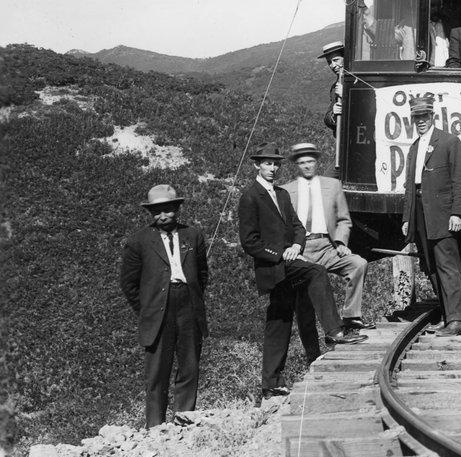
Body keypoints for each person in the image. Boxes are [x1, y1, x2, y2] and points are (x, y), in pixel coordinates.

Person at [238, 142, 365, 399]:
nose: (272, 168)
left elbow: (297, 226)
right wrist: (280, 254)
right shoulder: (250, 196)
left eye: (275, 163)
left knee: (280, 319)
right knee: (314, 274)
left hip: (290, 260)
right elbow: (250, 241)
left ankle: (271, 384)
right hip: (273, 266)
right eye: (267, 163)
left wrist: (297, 244)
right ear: (256, 165)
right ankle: (334, 331)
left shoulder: (281, 195)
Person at [120, 184, 209, 428]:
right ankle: (156, 428)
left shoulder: (193, 235)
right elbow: (128, 283)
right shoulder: (139, 241)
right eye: (157, 211)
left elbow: (202, 273)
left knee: (189, 365)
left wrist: (191, 297)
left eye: (168, 210)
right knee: (157, 371)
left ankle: (185, 421)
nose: (162, 216)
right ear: (151, 213)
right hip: (157, 310)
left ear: (177, 209)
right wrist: (147, 309)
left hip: (188, 304)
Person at [285, 143, 375, 363]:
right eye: (302, 162)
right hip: (302, 249)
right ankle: (313, 355)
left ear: (317, 162)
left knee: (358, 263)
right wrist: (292, 248)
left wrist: (341, 242)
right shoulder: (287, 191)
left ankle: (351, 317)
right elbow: (283, 225)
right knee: (304, 305)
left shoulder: (332, 186)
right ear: (297, 165)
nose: (307, 166)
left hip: (327, 246)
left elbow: (344, 219)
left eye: (311, 161)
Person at [402, 97, 461, 336]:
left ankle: (458, 320)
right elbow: (410, 186)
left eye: (424, 117)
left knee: (447, 265)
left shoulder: (450, 141)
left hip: (442, 212)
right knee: (430, 266)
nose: (420, 121)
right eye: (416, 118)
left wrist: (457, 212)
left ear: (433, 116)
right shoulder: (413, 147)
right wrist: (407, 218)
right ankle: (445, 314)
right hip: (420, 212)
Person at [319, 41, 345, 134]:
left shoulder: (358, 82)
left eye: (336, 60)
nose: (333, 66)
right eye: (329, 62)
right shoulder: (334, 87)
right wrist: (333, 113)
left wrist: (346, 96)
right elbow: (327, 118)